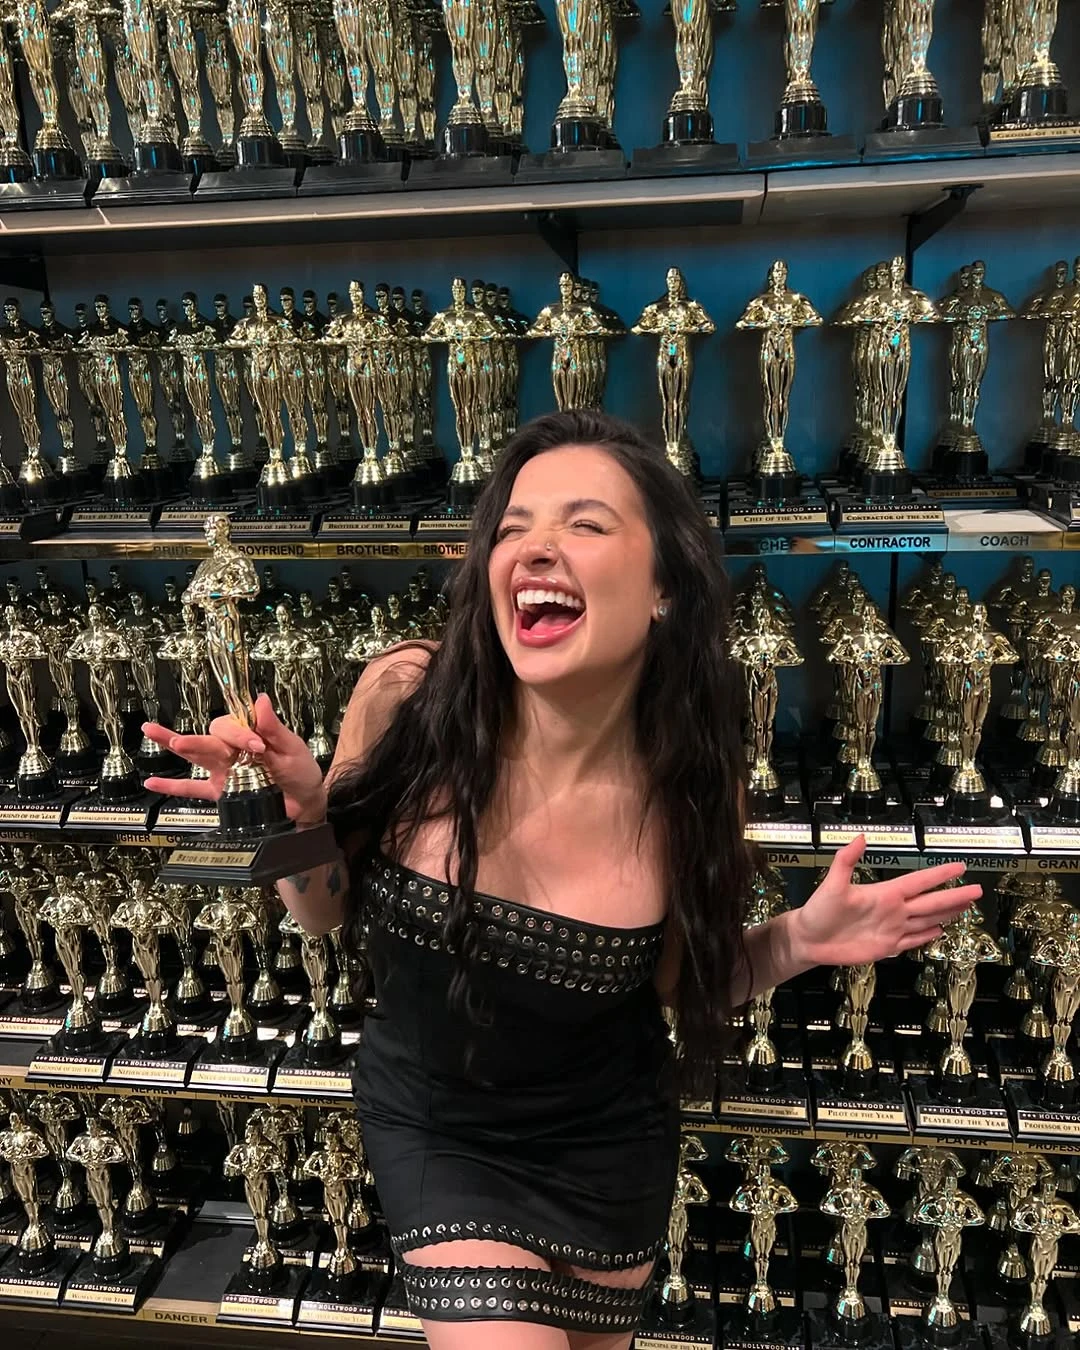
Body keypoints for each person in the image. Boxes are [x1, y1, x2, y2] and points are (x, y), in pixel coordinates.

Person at [142, 410, 978, 1349]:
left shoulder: (688, 786)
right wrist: (300, 822)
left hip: (608, 1150)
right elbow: (323, 914)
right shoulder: (408, 699)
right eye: (514, 527)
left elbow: (676, 987)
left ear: (664, 587)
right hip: (438, 1130)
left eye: (585, 523)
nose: (536, 547)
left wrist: (799, 943)